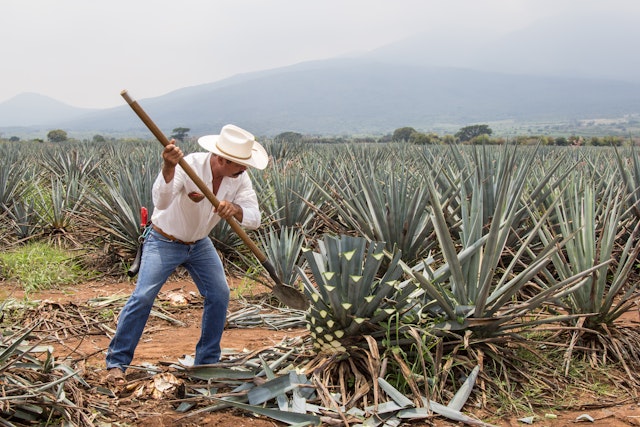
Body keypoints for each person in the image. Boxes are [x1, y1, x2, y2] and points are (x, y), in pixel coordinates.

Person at [105, 124, 269, 385]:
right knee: (144, 296)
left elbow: (254, 218)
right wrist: (169, 168)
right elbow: (161, 201)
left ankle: (206, 362)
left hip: (200, 244)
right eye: (240, 163)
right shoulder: (188, 164)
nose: (245, 168)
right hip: (164, 240)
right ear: (221, 159)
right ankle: (117, 363)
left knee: (219, 294)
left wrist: (235, 209)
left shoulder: (239, 179)